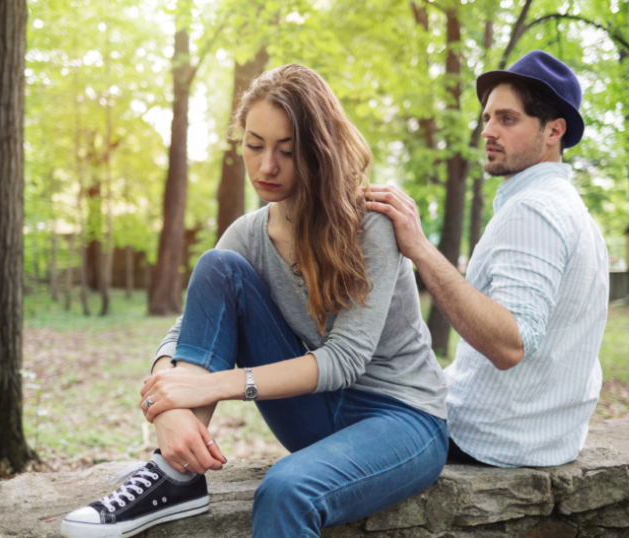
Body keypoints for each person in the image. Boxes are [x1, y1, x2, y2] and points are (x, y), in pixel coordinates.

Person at [60, 64, 448, 538]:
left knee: (286, 491)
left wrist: (210, 386)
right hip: (316, 411)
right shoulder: (248, 234)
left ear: (319, 151)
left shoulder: (372, 224)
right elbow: (186, 330)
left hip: (400, 419)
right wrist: (169, 404)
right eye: (254, 145)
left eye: (287, 151)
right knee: (216, 268)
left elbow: (345, 360)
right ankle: (177, 474)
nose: (267, 166)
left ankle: (177, 469)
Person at [366, 50, 609, 468]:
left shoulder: (533, 210)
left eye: (507, 119)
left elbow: (508, 344)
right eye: (487, 118)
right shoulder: (571, 210)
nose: (488, 132)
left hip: (485, 437)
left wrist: (420, 248)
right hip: (547, 439)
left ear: (554, 130)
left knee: (330, 380)